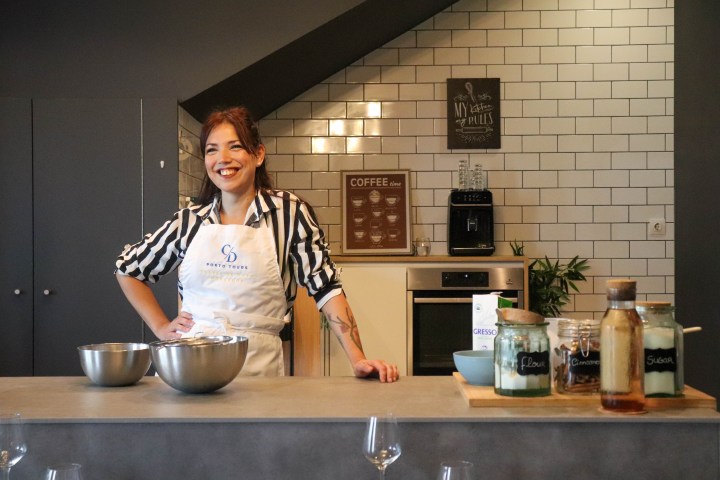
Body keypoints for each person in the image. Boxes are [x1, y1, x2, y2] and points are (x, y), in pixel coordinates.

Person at [115, 106, 399, 382]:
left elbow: (326, 288)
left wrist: (358, 359)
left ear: (258, 154)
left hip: (257, 367)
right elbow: (128, 269)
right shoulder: (189, 221)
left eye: (235, 146)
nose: (222, 158)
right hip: (190, 367)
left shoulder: (289, 213)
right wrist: (162, 328)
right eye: (212, 150)